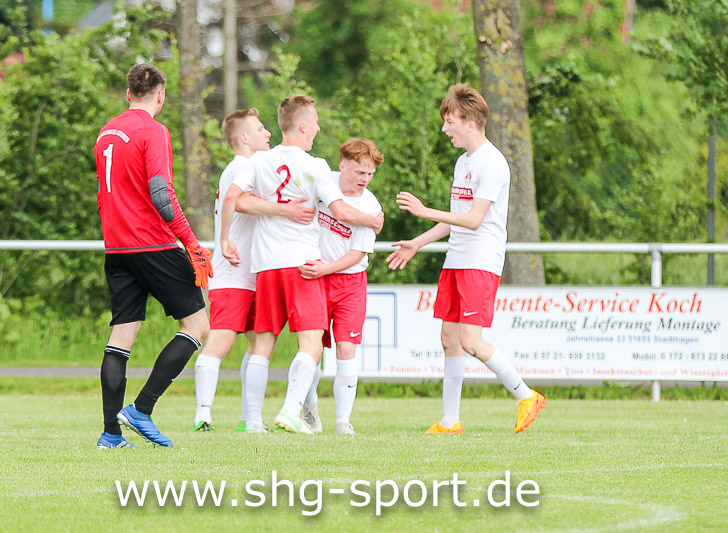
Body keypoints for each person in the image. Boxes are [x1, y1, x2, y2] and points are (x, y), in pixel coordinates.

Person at [386, 83, 545, 434]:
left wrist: (424, 211)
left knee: (471, 341)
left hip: (480, 261)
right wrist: (416, 243)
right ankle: (450, 421)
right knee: (449, 339)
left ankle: (526, 395)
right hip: (456, 259)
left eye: (450, 122)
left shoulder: (493, 163)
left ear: (469, 123)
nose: (445, 129)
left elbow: (474, 220)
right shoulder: (463, 162)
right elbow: (454, 219)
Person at [221, 95, 384, 434]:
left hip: (265, 264)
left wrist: (225, 239)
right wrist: (371, 220)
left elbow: (234, 199)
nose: (319, 129)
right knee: (311, 343)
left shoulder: (259, 160)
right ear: (304, 126)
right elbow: (340, 210)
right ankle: (290, 411)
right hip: (301, 264)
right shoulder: (315, 165)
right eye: (316, 123)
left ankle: (253, 421)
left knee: (263, 343)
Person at [93, 63, 213, 448]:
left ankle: (111, 434)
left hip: (117, 247)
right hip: (152, 244)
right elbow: (161, 194)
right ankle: (141, 409)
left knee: (121, 337)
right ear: (161, 95)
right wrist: (191, 243)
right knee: (197, 326)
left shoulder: (106, 132)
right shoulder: (154, 130)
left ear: (128, 93)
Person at [193, 108, 278, 433]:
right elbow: (240, 202)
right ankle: (203, 415)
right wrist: (286, 210)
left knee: (259, 343)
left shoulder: (250, 166)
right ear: (244, 137)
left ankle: (250, 418)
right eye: (260, 129)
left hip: (252, 272)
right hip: (233, 272)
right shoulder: (241, 166)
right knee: (222, 341)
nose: (267, 133)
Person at [298, 138, 384, 435]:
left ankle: (342, 421)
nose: (365, 179)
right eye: (360, 172)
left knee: (346, 348)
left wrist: (326, 268)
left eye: (370, 174)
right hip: (315, 279)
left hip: (349, 282)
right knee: (311, 348)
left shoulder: (371, 205)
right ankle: (309, 412)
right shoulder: (324, 184)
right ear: (343, 166)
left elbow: (358, 254)